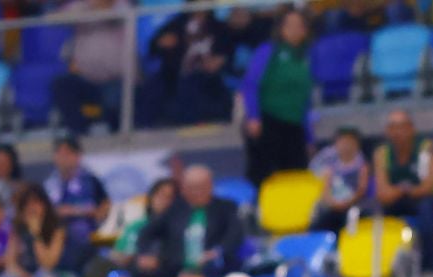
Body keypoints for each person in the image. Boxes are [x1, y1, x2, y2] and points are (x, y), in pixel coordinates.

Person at [134, 165, 241, 277]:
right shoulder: (174, 209)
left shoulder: (226, 208)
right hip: (175, 270)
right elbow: (146, 233)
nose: (197, 192)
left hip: (212, 269)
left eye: (201, 187)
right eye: (192, 188)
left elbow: (234, 235)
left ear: (211, 186)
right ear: (184, 189)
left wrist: (217, 252)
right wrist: (147, 253)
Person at [242, 8, 313, 186]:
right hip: (268, 121)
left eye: (299, 26)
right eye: (290, 25)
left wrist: (309, 137)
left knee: (296, 176)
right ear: (281, 29)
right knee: (264, 175)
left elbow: (305, 101)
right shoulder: (268, 51)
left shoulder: (306, 56)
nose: (295, 30)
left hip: (294, 125)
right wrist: (254, 116)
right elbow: (250, 84)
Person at [141, 1, 233, 126]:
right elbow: (153, 47)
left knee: (195, 83)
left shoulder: (219, 28)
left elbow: (228, 52)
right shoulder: (176, 25)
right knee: (153, 87)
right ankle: (142, 132)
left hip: (209, 77)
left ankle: (193, 126)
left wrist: (221, 60)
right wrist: (160, 43)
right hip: (174, 76)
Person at [373, 108, 433, 269]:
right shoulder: (382, 153)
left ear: (411, 129)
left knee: (427, 209)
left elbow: (427, 187)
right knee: (373, 213)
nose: (398, 132)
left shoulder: (427, 148)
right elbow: (382, 193)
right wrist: (403, 190)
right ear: (387, 131)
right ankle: (381, 265)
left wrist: (402, 190)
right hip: (399, 201)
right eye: (393, 127)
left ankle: (429, 263)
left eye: (402, 127)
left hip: (428, 200)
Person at [51, 0, 127, 131]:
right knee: (62, 85)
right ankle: (79, 135)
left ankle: (117, 139)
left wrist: (94, 11)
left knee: (113, 102)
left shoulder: (122, 5)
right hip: (86, 77)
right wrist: (87, 9)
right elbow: (54, 18)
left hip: (116, 79)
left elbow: (118, 14)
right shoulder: (82, 6)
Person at [3, 186, 78, 277]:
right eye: (27, 205)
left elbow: (48, 264)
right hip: (25, 273)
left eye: (35, 203)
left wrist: (36, 234)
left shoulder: (57, 226)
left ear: (45, 205)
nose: (32, 208)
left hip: (53, 272)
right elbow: (10, 262)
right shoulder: (18, 226)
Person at [42, 137, 109, 260]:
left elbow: (104, 207)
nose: (63, 158)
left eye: (67, 153)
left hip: (87, 239)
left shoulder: (91, 181)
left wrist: (75, 211)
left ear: (77, 155)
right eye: (59, 153)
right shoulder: (48, 184)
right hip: (57, 241)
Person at [312, 127, 370, 233]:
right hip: (333, 206)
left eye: (350, 142)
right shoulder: (329, 167)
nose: (346, 146)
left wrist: (347, 203)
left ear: (357, 144)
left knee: (355, 219)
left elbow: (361, 190)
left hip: (353, 206)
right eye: (343, 142)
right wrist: (333, 203)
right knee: (320, 222)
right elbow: (326, 191)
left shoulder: (362, 166)